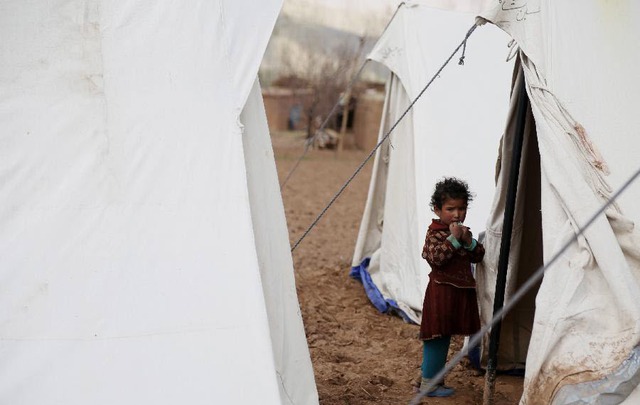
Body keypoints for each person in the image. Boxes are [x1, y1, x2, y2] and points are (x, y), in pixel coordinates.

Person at [418, 177, 485, 397]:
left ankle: (432, 379)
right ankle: (429, 384)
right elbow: (435, 258)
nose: (457, 214)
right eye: (450, 209)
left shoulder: (461, 231)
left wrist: (468, 241)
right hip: (441, 293)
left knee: (444, 336)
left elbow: (478, 256)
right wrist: (454, 240)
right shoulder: (435, 232)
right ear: (437, 210)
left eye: (462, 208)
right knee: (436, 335)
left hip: (457, 293)